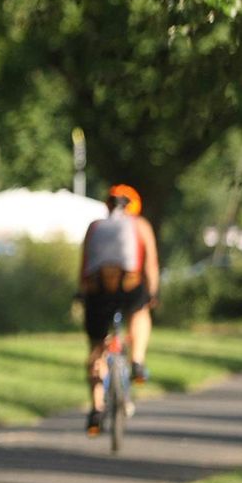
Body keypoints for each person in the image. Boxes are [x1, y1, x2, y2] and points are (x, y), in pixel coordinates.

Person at [79, 183, 159, 435]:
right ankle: (137, 361)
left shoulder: (94, 227)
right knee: (140, 311)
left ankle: (96, 408)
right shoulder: (140, 225)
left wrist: (83, 294)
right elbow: (150, 265)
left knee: (96, 347)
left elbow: (84, 265)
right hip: (128, 284)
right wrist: (152, 294)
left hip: (97, 289)